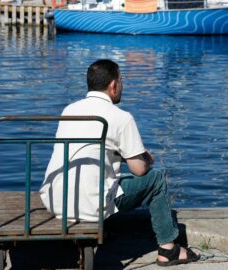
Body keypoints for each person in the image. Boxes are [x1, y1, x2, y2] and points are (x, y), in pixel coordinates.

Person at [40, 59, 200, 266]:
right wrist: (146, 157)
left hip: (55, 199)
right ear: (113, 85)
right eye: (122, 81)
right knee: (156, 179)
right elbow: (140, 170)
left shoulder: (69, 110)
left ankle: (105, 230)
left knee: (102, 177)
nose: (122, 86)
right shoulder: (121, 117)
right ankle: (168, 249)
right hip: (89, 205)